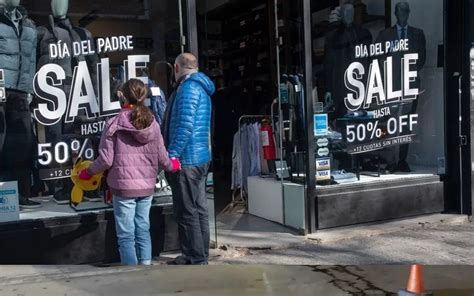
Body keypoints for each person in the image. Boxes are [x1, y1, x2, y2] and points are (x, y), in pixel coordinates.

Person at [78, 79, 181, 266]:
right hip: (147, 186)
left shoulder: (113, 124)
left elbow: (106, 160)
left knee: (126, 234)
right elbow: (163, 158)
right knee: (143, 228)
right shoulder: (153, 124)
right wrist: (173, 165)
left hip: (123, 186)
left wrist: (88, 172)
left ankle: (131, 274)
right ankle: (146, 266)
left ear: (121, 95)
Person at [163, 53, 215, 265]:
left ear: (176, 68)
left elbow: (184, 127)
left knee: (187, 211)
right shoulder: (201, 88)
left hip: (187, 160)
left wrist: (171, 156)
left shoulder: (187, 89)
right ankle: (201, 253)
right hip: (200, 157)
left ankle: (194, 256)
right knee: (199, 208)